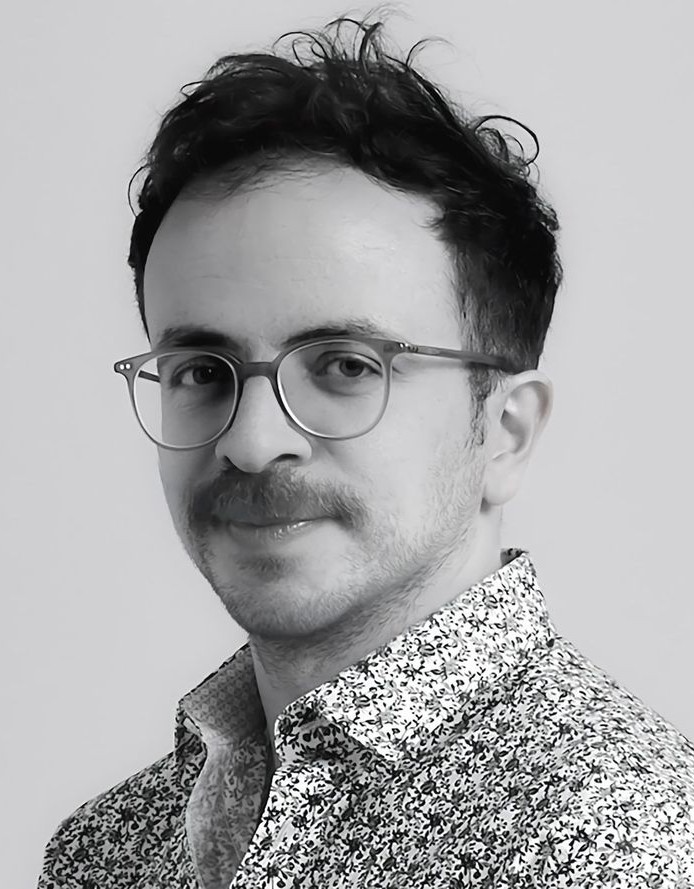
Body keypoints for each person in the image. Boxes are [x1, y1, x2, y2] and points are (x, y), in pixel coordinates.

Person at [38, 9, 694, 889]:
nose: (252, 440)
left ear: (507, 430)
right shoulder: (103, 851)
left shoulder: (620, 841)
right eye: (200, 370)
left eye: (346, 365)